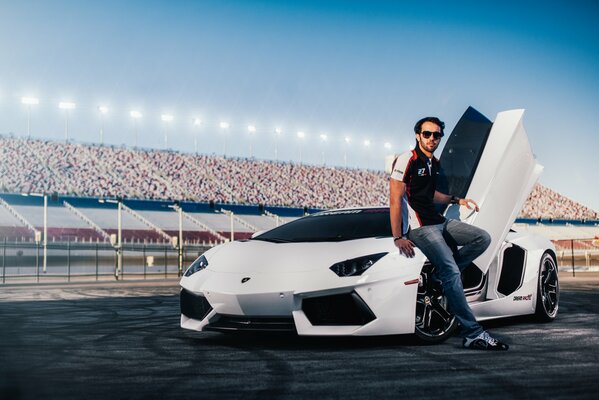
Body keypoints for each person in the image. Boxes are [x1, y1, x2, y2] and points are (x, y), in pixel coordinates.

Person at [389, 116, 509, 351]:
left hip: (441, 222)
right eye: (427, 134)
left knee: (482, 238)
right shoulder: (407, 159)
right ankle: (473, 333)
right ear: (417, 135)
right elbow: (395, 199)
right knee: (451, 270)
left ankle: (438, 278)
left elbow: (431, 194)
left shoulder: (434, 162)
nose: (432, 138)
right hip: (421, 228)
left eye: (436, 135)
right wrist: (398, 236)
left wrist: (458, 199)